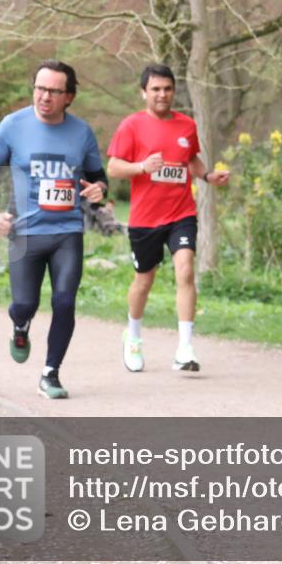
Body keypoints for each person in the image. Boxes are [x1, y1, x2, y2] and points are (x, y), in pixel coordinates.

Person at [0, 60, 108, 399]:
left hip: (67, 232)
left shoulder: (81, 132)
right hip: (25, 233)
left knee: (64, 301)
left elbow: (98, 176)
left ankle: (51, 373)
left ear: (69, 96)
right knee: (24, 304)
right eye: (39, 88)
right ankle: (20, 326)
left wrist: (99, 190)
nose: (44, 96)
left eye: (53, 91)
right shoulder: (12, 125)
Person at [107, 64, 229, 373]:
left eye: (167, 89)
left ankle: (185, 348)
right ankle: (133, 337)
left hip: (181, 213)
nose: (162, 94)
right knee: (143, 280)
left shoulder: (186, 125)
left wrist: (208, 175)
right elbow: (114, 168)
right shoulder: (131, 126)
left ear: (174, 91)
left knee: (185, 270)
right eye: (156, 89)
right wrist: (141, 167)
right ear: (144, 92)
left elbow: (190, 160)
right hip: (145, 218)